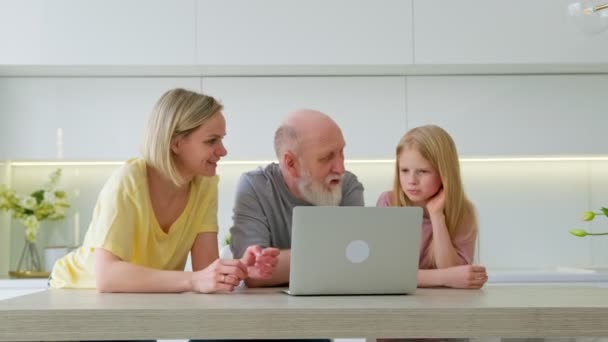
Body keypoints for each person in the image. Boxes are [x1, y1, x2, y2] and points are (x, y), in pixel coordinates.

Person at [50, 88, 279, 293]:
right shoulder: (129, 181)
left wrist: (240, 271)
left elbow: (206, 271)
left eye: (221, 139)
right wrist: (193, 281)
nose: (223, 150)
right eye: (211, 141)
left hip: (135, 298)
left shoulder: (205, 184)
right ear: (175, 143)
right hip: (74, 294)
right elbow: (107, 277)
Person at [229, 109, 365, 288]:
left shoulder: (347, 185)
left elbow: (359, 263)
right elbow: (253, 273)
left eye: (341, 152)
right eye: (326, 158)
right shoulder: (255, 187)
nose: (340, 168)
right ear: (291, 164)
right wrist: (337, 254)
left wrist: (283, 263)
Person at [376, 125, 487, 289]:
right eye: (404, 170)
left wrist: (437, 215)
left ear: (444, 173)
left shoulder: (463, 212)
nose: (411, 180)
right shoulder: (389, 203)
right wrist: (444, 278)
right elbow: (385, 273)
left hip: (445, 304)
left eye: (422, 171)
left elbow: (455, 274)